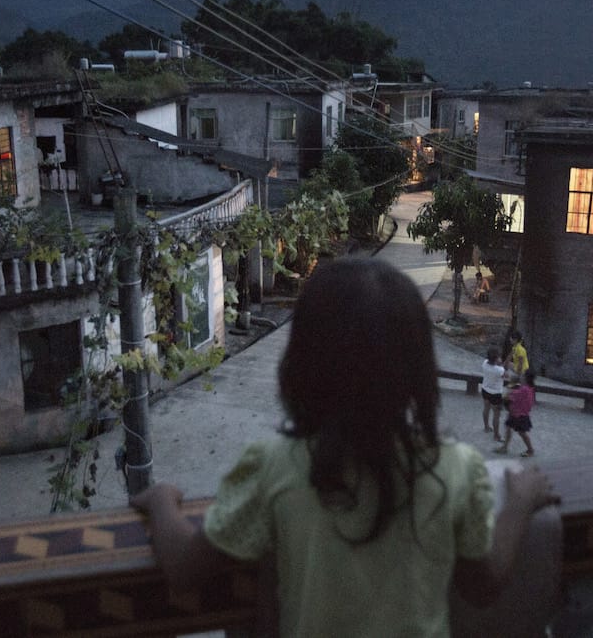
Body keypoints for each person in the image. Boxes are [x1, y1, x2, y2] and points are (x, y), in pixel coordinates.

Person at [130, 257, 560, 638]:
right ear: (417, 370)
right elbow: (482, 586)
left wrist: (162, 501)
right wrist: (519, 504)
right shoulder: (456, 467)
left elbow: (185, 570)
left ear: (300, 363)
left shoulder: (275, 465)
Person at [496, 370, 537, 457]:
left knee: (522, 433)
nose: (520, 377)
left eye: (522, 376)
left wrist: (507, 395)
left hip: (519, 415)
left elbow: (512, 396)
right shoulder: (529, 387)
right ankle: (505, 447)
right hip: (515, 413)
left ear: (526, 378)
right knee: (508, 428)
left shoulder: (524, 389)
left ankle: (530, 450)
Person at [480, 348, 508, 441]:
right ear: (496, 359)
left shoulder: (484, 363)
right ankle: (496, 435)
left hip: (485, 390)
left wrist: (500, 364)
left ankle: (486, 427)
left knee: (486, 408)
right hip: (496, 394)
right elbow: (505, 376)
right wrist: (502, 365)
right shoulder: (499, 370)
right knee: (496, 415)